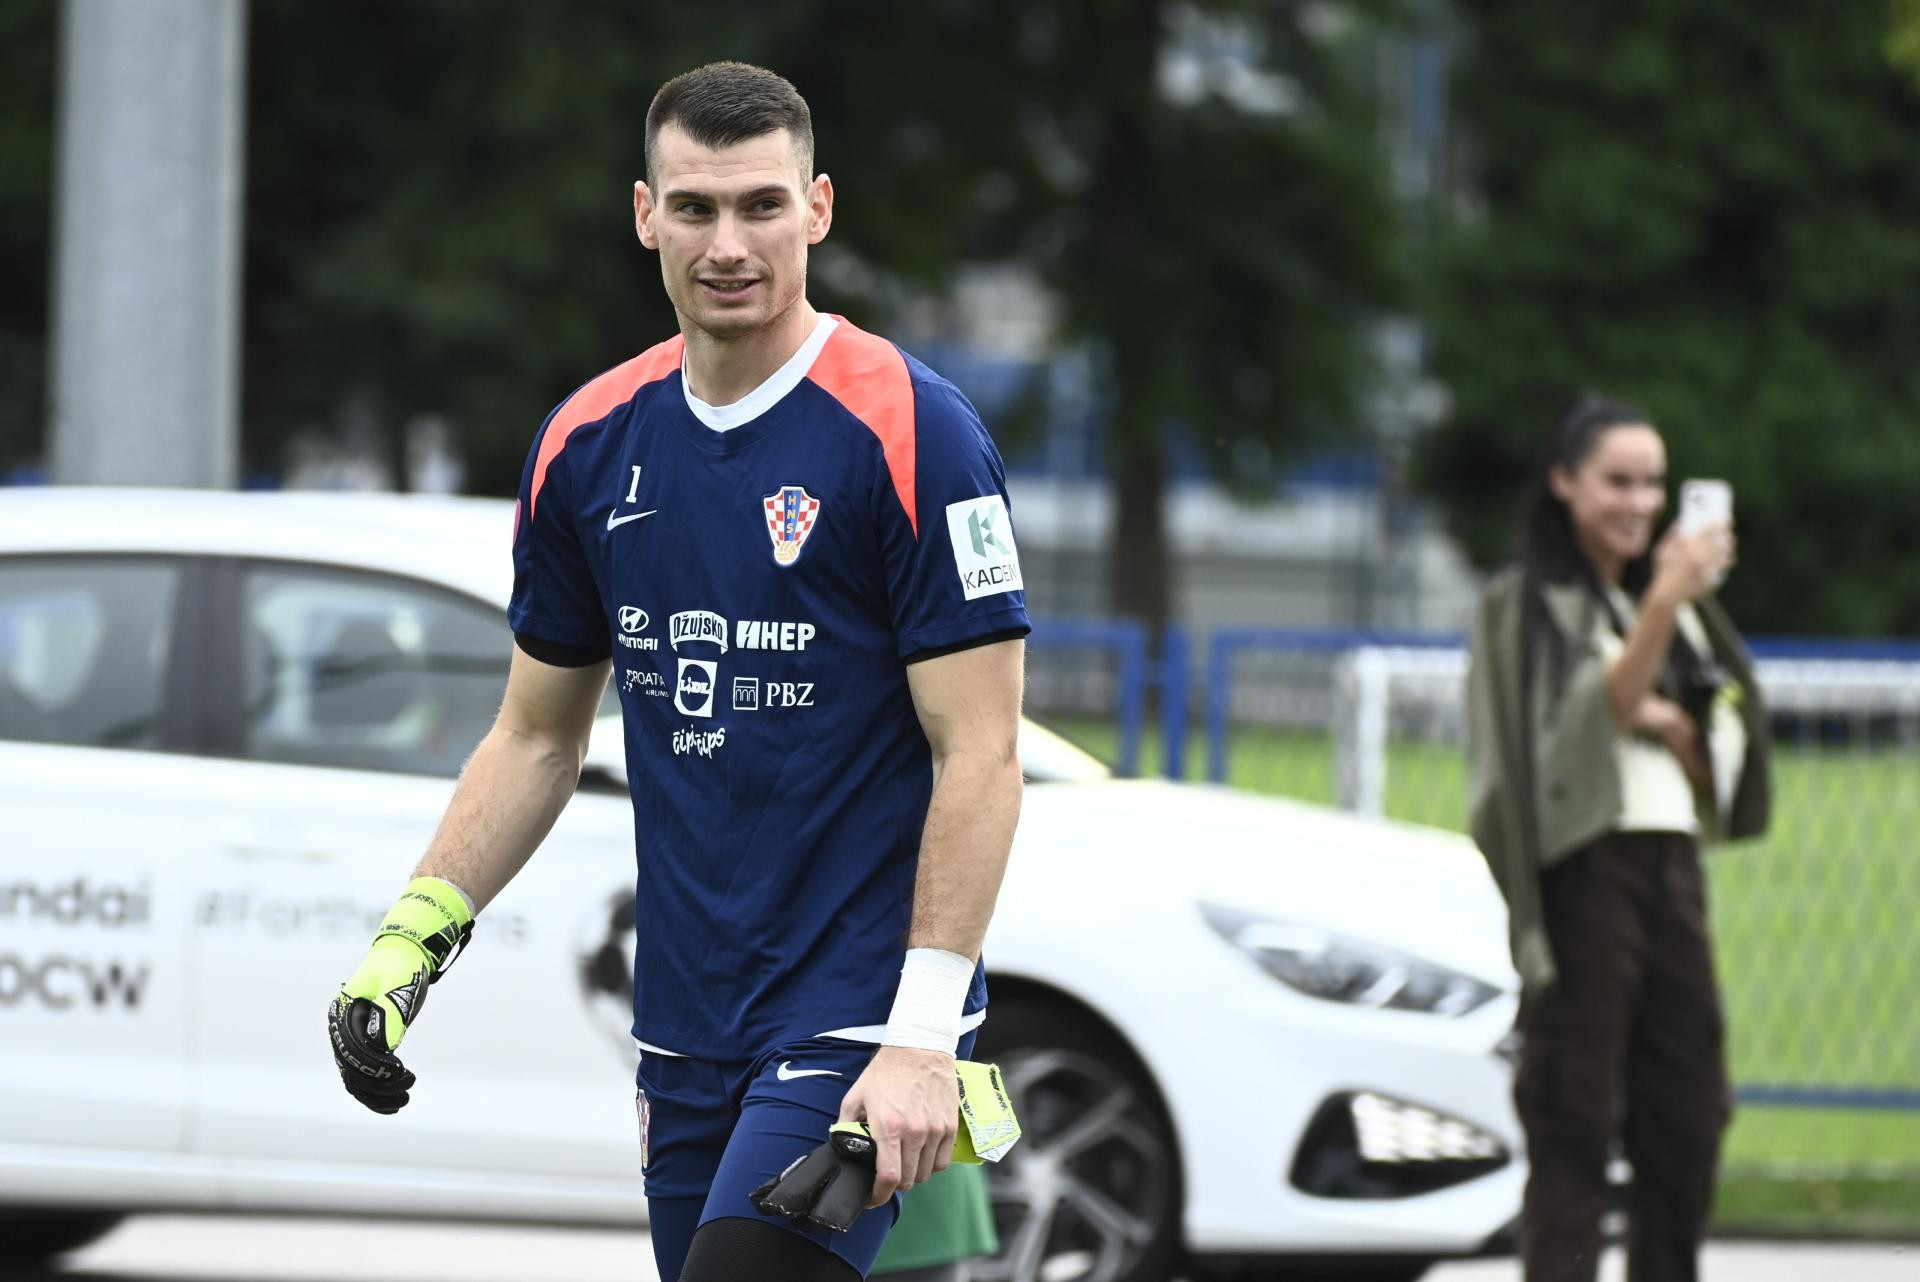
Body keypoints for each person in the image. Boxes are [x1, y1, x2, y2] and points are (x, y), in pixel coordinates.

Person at [325, 61, 1029, 1282]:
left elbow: (983, 751)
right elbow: (536, 737)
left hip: (859, 1021)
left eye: (762, 205)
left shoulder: (916, 431)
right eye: (696, 208)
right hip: (686, 1025)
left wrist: (921, 1038)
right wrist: (411, 938)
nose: (729, 245)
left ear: (818, 208)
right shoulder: (586, 444)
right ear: (646, 215)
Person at [1464, 394, 1770, 1282]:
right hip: (1584, 868)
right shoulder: (1527, 603)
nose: (1640, 503)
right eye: (1617, 482)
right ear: (1564, 482)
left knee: (1688, 1113)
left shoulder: (1655, 606)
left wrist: (1667, 714)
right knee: (1575, 1112)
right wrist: (1663, 610)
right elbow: (1570, 739)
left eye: (1653, 484)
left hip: (1670, 865)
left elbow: (1714, 756)